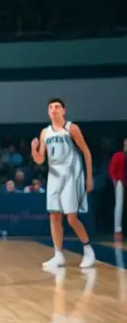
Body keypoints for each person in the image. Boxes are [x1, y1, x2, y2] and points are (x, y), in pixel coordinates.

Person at [31, 98, 95, 269]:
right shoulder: (45, 132)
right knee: (54, 216)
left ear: (64, 110)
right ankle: (58, 254)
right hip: (54, 175)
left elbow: (87, 153)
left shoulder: (71, 128)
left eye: (57, 107)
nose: (54, 109)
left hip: (72, 174)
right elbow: (40, 160)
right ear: (48, 112)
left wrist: (89, 177)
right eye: (51, 107)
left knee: (72, 217)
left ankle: (88, 249)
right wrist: (34, 148)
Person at [110, 138, 125, 242]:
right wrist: (115, 181)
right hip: (120, 181)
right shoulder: (118, 155)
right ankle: (117, 231)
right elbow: (112, 170)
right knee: (119, 205)